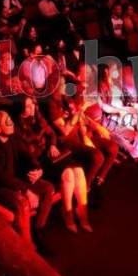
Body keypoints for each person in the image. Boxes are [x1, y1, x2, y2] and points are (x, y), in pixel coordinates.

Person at [0, 110, 55, 248]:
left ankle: (38, 230)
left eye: (10, 119)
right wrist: (25, 190)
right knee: (22, 203)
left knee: (48, 189)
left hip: (16, 180)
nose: (12, 123)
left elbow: (27, 156)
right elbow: (0, 177)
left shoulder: (14, 136)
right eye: (7, 123)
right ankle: (27, 246)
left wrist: (37, 169)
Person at [16, 97, 91, 233]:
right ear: (21, 110)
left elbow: (52, 135)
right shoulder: (18, 128)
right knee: (68, 175)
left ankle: (83, 214)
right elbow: (24, 156)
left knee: (79, 170)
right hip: (39, 163)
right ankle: (68, 215)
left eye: (32, 104)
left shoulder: (38, 118)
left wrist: (52, 145)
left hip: (50, 157)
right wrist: (38, 169)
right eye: (27, 106)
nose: (32, 108)